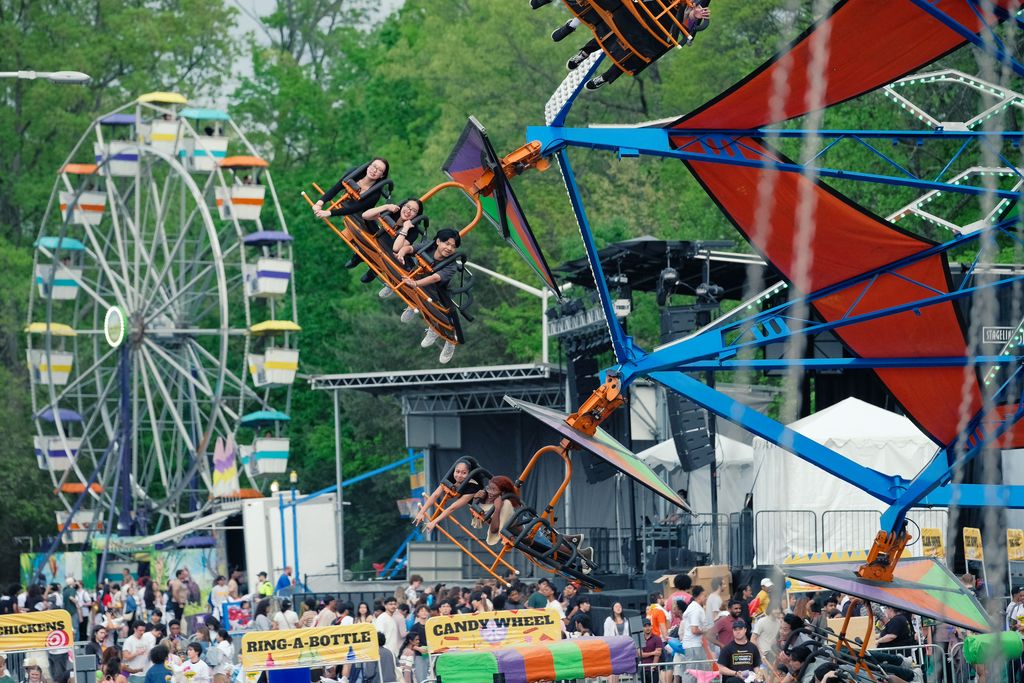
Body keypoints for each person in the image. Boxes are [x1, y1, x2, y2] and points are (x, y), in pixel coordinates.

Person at [398, 228, 465, 364]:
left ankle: (447, 339)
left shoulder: (451, 265)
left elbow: (435, 278)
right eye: (447, 243)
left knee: (447, 313)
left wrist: (415, 283)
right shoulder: (427, 246)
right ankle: (413, 303)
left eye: (453, 246)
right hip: (418, 281)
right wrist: (401, 252)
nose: (449, 248)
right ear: (438, 241)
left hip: (437, 291)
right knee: (406, 271)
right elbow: (410, 248)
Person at [360, 199, 427, 290]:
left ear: (416, 216)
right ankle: (359, 257)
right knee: (366, 225)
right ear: (403, 206)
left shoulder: (413, 231)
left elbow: (396, 248)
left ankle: (377, 272)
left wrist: (405, 228)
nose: (408, 211)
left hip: (390, 251)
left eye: (413, 211)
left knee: (397, 257)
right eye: (407, 207)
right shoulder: (394, 212)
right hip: (379, 237)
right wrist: (386, 206)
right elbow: (365, 215)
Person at [414, 458, 487, 533]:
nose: (459, 475)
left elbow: (452, 508)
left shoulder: (473, 486)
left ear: (469, 474)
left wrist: (434, 522)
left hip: (483, 505)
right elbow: (435, 495)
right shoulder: (451, 477)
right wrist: (421, 512)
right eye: (457, 471)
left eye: (464, 473)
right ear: (454, 470)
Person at [718, 619, 761, 683]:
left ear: (745, 630)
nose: (737, 632)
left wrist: (758, 676)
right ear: (733, 631)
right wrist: (736, 673)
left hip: (750, 679)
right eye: (735, 629)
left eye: (740, 629)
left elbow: (756, 667)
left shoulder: (753, 647)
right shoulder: (727, 648)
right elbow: (721, 669)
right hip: (733, 679)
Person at [638, 618, 663, 682]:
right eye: (645, 626)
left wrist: (653, 666)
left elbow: (658, 654)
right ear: (642, 628)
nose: (647, 628)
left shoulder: (657, 638)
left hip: (653, 670)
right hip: (643, 669)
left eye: (649, 626)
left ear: (651, 626)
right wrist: (653, 653)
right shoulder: (640, 639)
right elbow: (640, 654)